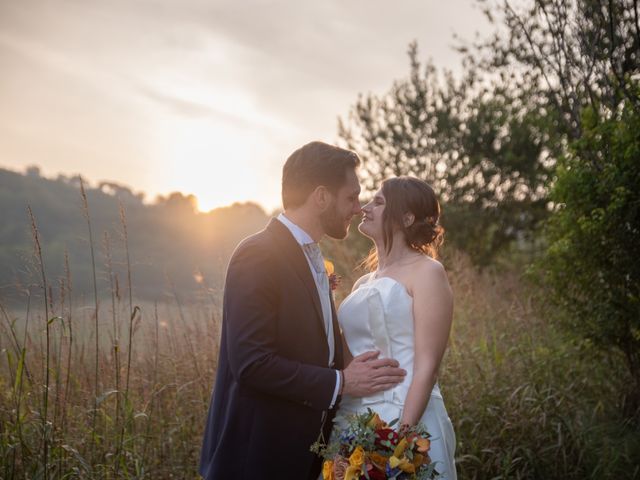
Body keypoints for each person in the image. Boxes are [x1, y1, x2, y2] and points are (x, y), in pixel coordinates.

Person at [198, 141, 407, 480]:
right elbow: (251, 363)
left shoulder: (315, 260)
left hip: (306, 454)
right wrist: (342, 381)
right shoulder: (259, 254)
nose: (357, 209)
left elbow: (314, 344)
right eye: (350, 197)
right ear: (321, 196)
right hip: (257, 457)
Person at [334, 176, 457, 479]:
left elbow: (427, 365)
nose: (365, 208)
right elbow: (349, 358)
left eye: (377, 202)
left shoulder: (428, 272)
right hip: (356, 424)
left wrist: (400, 441)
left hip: (409, 416)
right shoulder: (362, 283)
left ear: (407, 217)